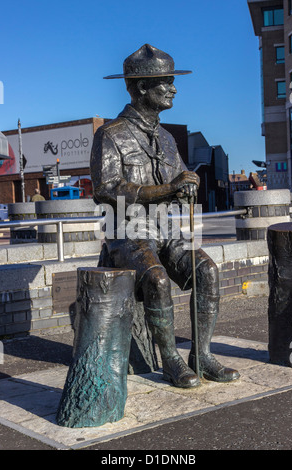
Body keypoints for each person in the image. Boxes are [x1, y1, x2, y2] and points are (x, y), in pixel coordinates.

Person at [90, 44, 239, 388]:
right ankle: (170, 359)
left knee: (208, 272)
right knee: (156, 280)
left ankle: (201, 355)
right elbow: (106, 189)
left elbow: (181, 177)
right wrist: (167, 190)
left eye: (173, 81)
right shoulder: (110, 135)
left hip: (167, 229)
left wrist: (189, 183)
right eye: (165, 82)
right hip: (127, 231)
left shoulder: (168, 138)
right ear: (142, 87)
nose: (174, 88)